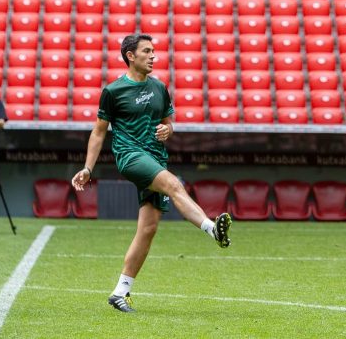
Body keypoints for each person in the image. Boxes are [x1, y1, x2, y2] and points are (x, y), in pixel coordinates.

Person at [71, 34, 232, 313]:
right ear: (131, 56)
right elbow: (98, 133)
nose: (153, 56)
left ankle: (120, 292)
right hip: (130, 157)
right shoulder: (113, 91)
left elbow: (169, 125)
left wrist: (167, 130)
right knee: (173, 184)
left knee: (148, 228)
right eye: (147, 51)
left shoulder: (160, 87)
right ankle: (211, 230)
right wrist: (88, 168)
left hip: (156, 157)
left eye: (154, 51)